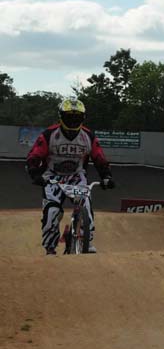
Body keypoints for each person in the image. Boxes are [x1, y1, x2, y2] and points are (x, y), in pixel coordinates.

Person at [25, 98, 115, 255]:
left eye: (77, 117)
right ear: (61, 117)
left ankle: (87, 240)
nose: (73, 121)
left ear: (83, 118)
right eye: (69, 117)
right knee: (52, 212)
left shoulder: (88, 136)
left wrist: (106, 176)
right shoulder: (49, 134)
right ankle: (50, 248)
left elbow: (99, 157)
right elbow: (34, 156)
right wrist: (35, 174)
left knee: (85, 204)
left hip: (76, 177)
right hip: (53, 177)